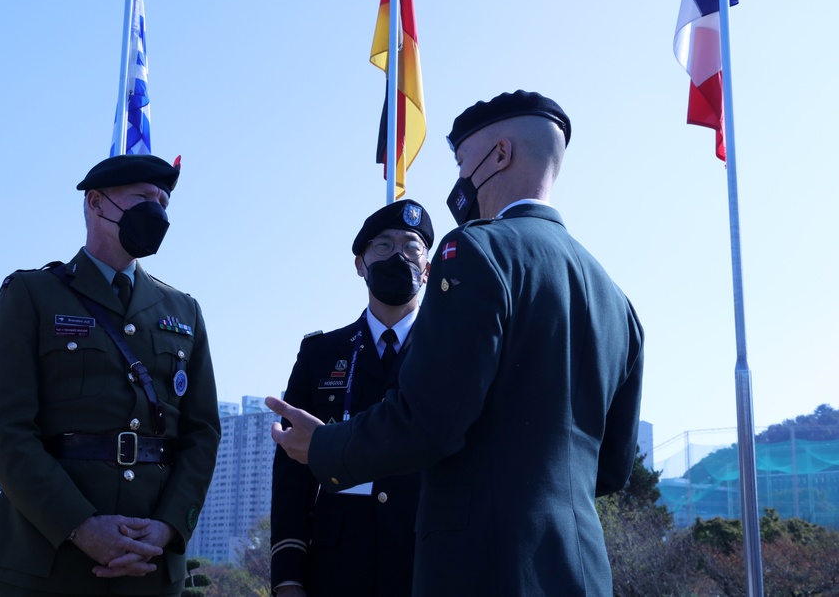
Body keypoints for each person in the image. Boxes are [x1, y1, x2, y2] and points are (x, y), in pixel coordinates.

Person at [268, 90, 644, 596]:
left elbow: (429, 423)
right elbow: (613, 468)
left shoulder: (474, 249)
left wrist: (323, 446)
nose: (460, 181)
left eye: (463, 161)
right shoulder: (617, 300)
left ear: (501, 155)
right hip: (580, 572)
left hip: (481, 569)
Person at [0, 154, 221, 597]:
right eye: (144, 198)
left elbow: (202, 434)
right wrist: (80, 526)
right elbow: (4, 430)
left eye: (164, 203)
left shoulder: (184, 311)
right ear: (97, 203)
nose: (157, 212)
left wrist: (166, 528)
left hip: (150, 563)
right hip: (46, 558)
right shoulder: (32, 294)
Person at [271, 200, 434, 597]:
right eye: (383, 245)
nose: (399, 255)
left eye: (412, 247)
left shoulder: (452, 353)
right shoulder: (320, 355)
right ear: (360, 264)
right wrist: (289, 578)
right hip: (338, 572)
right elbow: (292, 480)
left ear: (427, 269)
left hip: (428, 568)